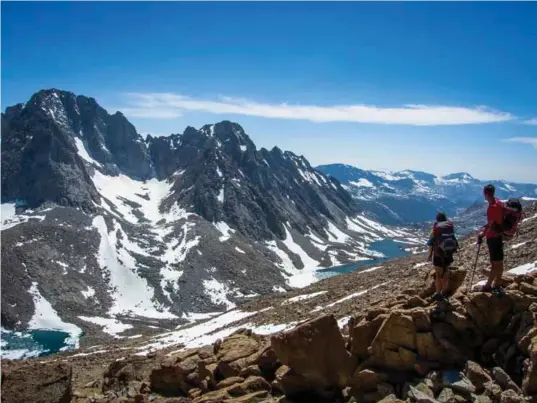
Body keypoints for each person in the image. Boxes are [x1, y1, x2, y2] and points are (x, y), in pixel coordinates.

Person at [477, 184, 505, 293]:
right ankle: (497, 284)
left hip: (493, 238)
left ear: (485, 193)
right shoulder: (499, 203)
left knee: (494, 263)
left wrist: (481, 235)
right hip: (499, 236)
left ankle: (488, 286)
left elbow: (490, 225)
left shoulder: (491, 207)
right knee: (500, 262)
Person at [427, 212, 459, 301]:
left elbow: (430, 243)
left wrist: (430, 255)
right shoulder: (449, 227)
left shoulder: (436, 228)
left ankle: (438, 293)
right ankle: (444, 292)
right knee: (446, 272)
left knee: (438, 274)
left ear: (437, 219)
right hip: (448, 252)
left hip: (438, 253)